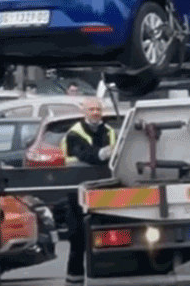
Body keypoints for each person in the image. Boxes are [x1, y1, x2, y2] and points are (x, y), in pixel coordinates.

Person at [60, 98, 117, 286]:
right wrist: (103, 154)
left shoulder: (109, 132)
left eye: (98, 109)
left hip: (103, 192)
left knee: (107, 239)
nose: (95, 112)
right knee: (77, 241)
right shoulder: (74, 133)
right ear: (84, 112)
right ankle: (74, 281)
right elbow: (84, 153)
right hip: (76, 194)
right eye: (91, 109)